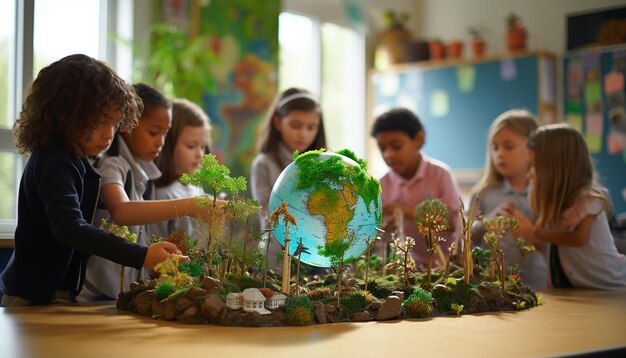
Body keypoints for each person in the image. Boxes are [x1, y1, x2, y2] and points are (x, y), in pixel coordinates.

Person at [0, 54, 184, 306]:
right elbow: (70, 228)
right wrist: (142, 255)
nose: (109, 134)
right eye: (99, 122)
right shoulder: (56, 161)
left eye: (114, 124)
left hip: (52, 294)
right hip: (31, 297)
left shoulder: (74, 160)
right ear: (67, 114)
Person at [79, 84, 223, 301]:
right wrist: (191, 206)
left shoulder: (142, 176)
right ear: (127, 125)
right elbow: (122, 211)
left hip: (114, 294)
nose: (160, 142)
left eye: (165, 134)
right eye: (153, 132)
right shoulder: (112, 166)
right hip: (93, 296)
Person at [508, 123, 626, 290]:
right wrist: (523, 232)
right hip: (576, 291)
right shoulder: (550, 205)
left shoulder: (587, 199)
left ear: (555, 167)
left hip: (609, 287)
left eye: (534, 166)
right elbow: (551, 248)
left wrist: (535, 233)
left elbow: (579, 238)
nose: (529, 174)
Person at [371, 107, 462, 267]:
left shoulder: (440, 174)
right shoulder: (381, 185)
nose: (388, 155)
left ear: (418, 140)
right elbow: (375, 234)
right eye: (382, 148)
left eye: (396, 146)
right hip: (405, 269)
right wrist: (385, 228)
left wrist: (406, 211)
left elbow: (454, 224)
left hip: (445, 266)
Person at [468, 109, 547, 290]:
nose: (500, 154)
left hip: (537, 286)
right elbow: (466, 239)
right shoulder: (483, 192)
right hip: (489, 287)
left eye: (508, 146)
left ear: (533, 150)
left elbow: (556, 247)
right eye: (495, 147)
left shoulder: (545, 193)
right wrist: (487, 222)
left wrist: (532, 233)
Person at [250, 87, 327, 271]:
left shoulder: (322, 164)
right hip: (276, 257)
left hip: (316, 256)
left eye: (311, 127)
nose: (303, 134)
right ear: (278, 122)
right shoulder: (264, 164)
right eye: (295, 125)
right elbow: (266, 211)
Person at [148, 98, 212, 247]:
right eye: (191, 146)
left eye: (202, 146)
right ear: (168, 144)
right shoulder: (162, 195)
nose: (199, 154)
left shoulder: (194, 187)